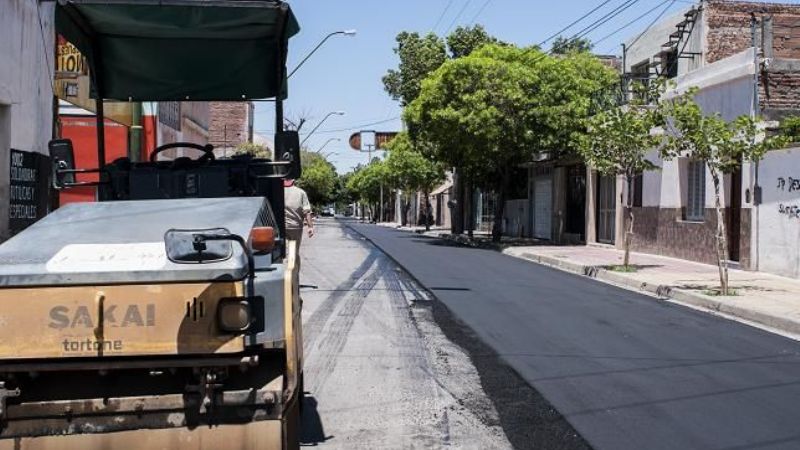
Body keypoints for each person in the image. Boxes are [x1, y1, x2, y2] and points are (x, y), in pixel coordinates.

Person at [283, 179, 314, 255]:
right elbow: (307, 211)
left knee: (285, 253)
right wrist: (310, 227)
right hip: (295, 228)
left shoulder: (276, 191)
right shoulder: (301, 192)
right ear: (293, 181)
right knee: (294, 253)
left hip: (280, 228)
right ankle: (293, 265)